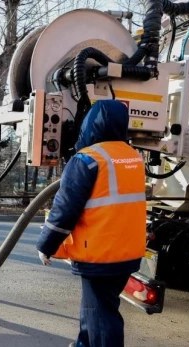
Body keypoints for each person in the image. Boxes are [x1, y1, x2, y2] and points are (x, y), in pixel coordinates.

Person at [35, 100, 146, 347]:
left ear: (90, 124)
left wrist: (46, 245)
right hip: (127, 252)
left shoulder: (87, 160)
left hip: (99, 255)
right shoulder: (133, 157)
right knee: (97, 309)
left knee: (101, 316)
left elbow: (65, 210)